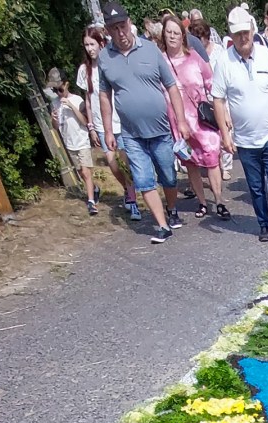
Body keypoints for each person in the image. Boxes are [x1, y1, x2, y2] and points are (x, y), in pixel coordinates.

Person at [98, 2, 191, 243]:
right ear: (108, 31)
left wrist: (180, 120)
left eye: (123, 26)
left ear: (129, 24)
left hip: (160, 130)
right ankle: (162, 226)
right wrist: (108, 130)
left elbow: (171, 86)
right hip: (131, 134)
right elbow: (104, 96)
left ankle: (171, 209)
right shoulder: (105, 59)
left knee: (169, 177)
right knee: (143, 180)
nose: (120, 32)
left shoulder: (150, 50)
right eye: (114, 28)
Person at [212, 6, 268, 245]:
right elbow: (218, 100)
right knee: (256, 187)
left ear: (252, 29)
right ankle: (264, 224)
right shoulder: (224, 62)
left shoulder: (265, 55)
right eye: (238, 33)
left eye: (246, 32)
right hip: (246, 139)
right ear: (232, 33)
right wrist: (224, 134)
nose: (243, 37)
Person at [161, 15, 231, 218]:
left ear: (183, 36)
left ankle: (218, 200)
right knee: (190, 162)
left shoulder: (194, 57)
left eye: (176, 32)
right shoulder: (161, 62)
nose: (173, 36)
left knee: (211, 157)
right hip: (177, 121)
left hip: (201, 119)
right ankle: (202, 202)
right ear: (163, 35)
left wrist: (224, 112)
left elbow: (213, 85)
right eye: (169, 32)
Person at [77, 26, 140, 221]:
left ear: (101, 43)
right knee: (112, 164)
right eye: (86, 45)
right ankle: (128, 189)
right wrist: (91, 127)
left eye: (92, 44)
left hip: (121, 121)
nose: (90, 49)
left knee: (125, 161)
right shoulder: (84, 70)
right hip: (102, 125)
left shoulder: (110, 63)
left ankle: (132, 198)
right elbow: (87, 99)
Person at [47, 69, 99, 214]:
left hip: (82, 141)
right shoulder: (55, 103)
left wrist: (71, 106)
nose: (58, 93)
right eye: (55, 90)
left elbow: (85, 122)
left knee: (86, 172)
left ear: (67, 85)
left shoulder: (78, 100)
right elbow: (55, 127)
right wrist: (54, 119)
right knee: (81, 173)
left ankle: (90, 202)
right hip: (69, 143)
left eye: (60, 89)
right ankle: (94, 189)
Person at [190, 18, 234, 180]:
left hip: (221, 97)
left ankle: (226, 166)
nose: (198, 42)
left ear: (207, 37)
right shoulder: (193, 53)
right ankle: (214, 162)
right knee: (211, 133)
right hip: (204, 100)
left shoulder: (219, 52)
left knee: (225, 130)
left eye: (200, 38)